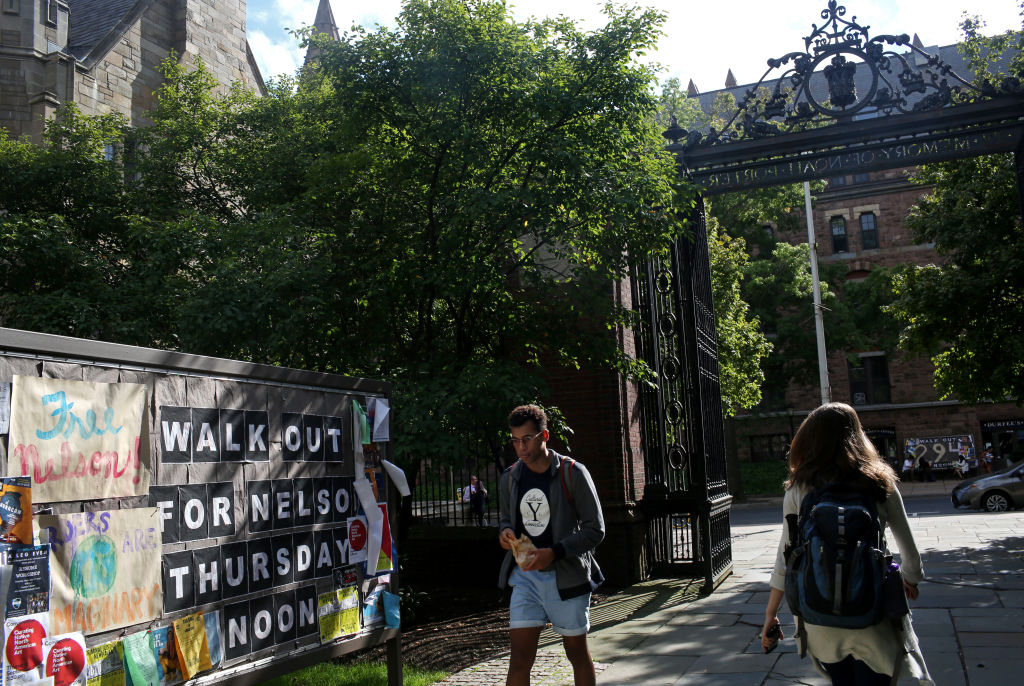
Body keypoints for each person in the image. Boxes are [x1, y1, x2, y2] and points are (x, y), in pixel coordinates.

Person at [761, 403, 932, 685]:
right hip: (872, 613)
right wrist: (910, 579)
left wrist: (770, 615)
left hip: (819, 618)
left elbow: (785, 557)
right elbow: (911, 556)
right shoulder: (880, 484)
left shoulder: (798, 489)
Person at [498, 405, 605, 686]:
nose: (520, 447)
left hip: (567, 578)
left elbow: (596, 530)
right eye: (515, 440)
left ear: (544, 435)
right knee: (519, 659)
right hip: (525, 579)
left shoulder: (573, 473)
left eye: (527, 439)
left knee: (576, 654)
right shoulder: (510, 477)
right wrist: (505, 532)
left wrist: (554, 553)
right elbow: (506, 519)